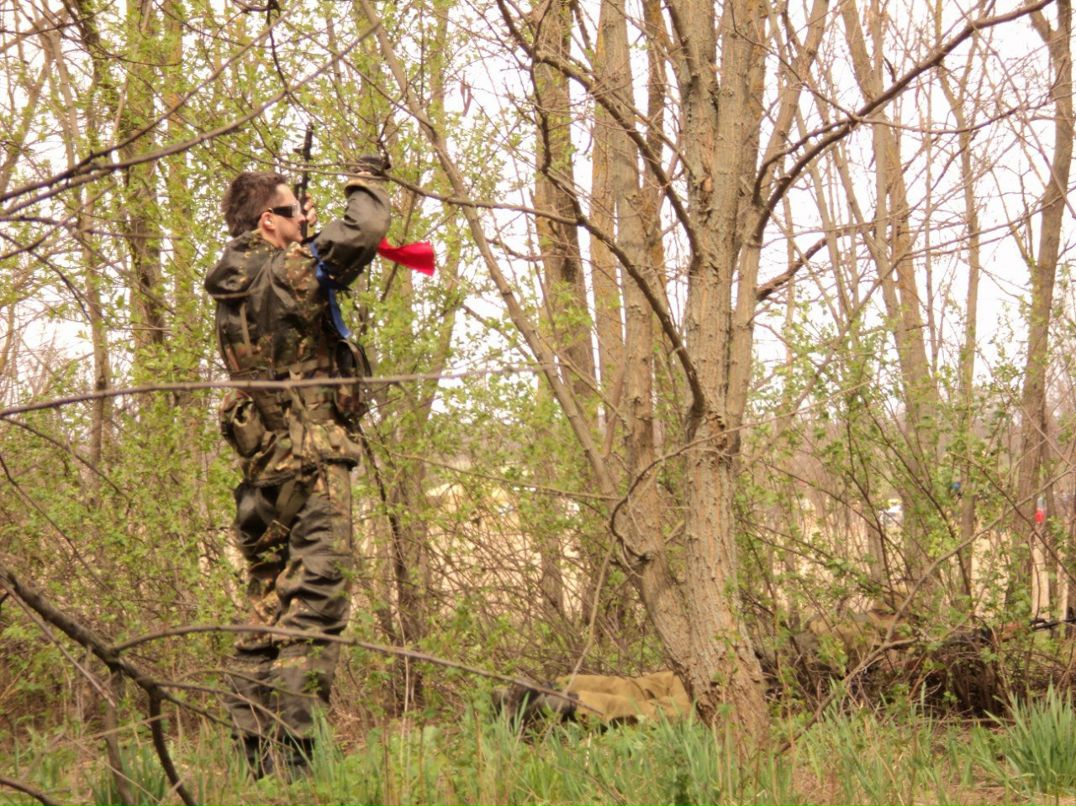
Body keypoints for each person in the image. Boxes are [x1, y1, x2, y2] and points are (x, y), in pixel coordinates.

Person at [204, 158, 390, 777]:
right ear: (268, 221)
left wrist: (300, 230)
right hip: (310, 467)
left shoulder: (235, 281)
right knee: (315, 606)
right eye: (292, 212)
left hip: (263, 473)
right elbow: (364, 229)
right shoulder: (287, 271)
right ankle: (295, 764)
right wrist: (364, 177)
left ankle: (252, 760)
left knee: (264, 609)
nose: (302, 220)